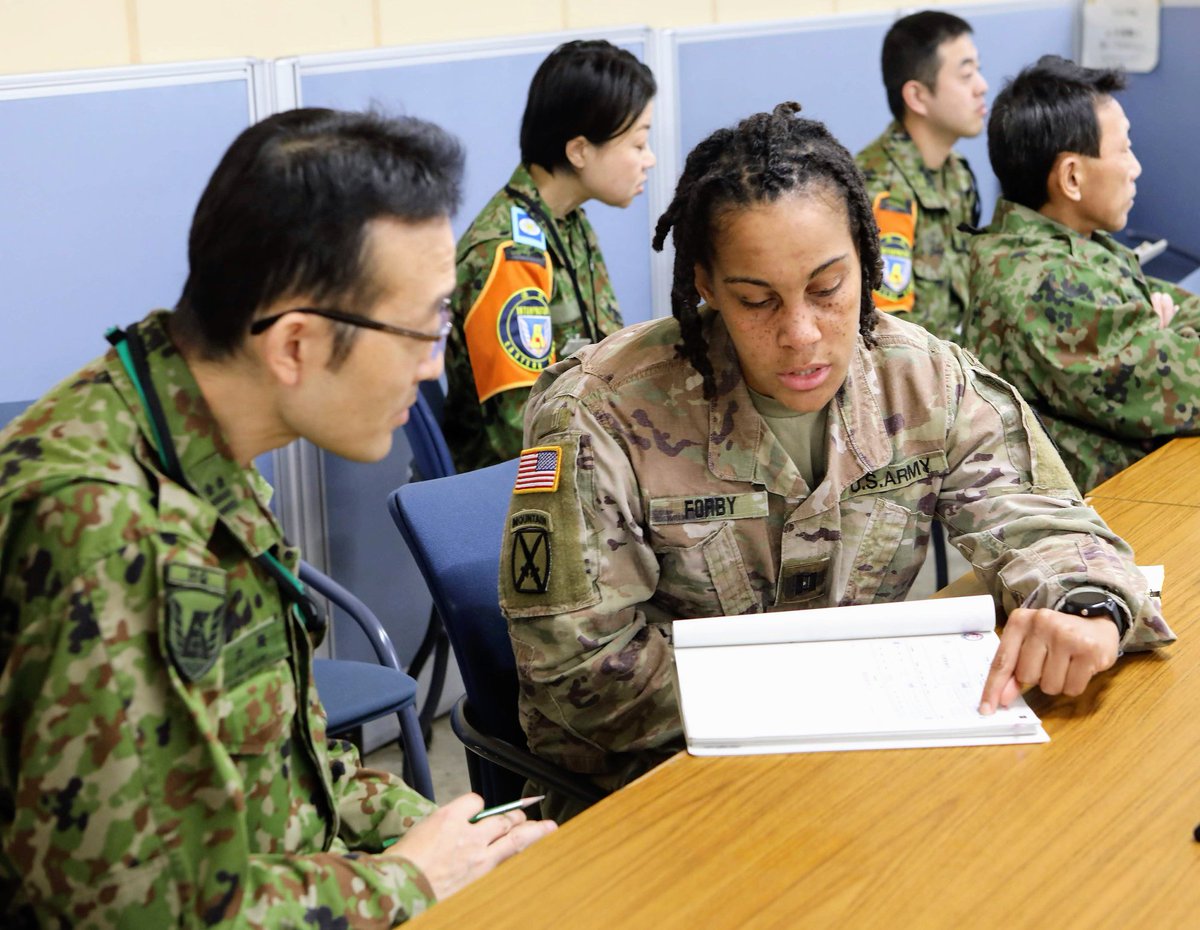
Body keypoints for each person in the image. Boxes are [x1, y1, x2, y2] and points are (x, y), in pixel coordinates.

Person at [498, 103, 1174, 823]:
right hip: (660, 793)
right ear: (704, 285)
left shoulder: (919, 378)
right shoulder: (600, 413)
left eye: (829, 290)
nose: (801, 335)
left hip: (854, 777)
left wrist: (1089, 608)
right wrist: (822, 690)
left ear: (866, 257)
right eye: (756, 300)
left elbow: (1046, 525)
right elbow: (577, 675)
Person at [0, 108, 554, 927]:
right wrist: (406, 881)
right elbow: (133, 911)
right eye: (423, 327)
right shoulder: (100, 530)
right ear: (294, 344)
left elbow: (286, 772)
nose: (436, 363)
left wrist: (459, 838)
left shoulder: (191, 437)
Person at [963, 55, 1200, 492]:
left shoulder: (1075, 244)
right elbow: (1188, 387)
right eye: (1125, 149)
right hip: (1102, 525)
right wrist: (1159, 338)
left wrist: (1162, 338)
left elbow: (1189, 316)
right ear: (1072, 177)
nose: (1135, 168)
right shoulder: (1045, 282)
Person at [443, 39, 656, 472]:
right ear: (579, 151)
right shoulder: (509, 253)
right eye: (637, 144)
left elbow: (605, 362)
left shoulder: (566, 222)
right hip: (525, 496)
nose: (648, 160)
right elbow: (524, 434)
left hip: (583, 455)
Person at [856, 10, 987, 339]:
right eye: (966, 74)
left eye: (978, 71)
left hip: (961, 366)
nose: (982, 87)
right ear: (917, 96)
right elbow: (887, 335)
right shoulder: (880, 189)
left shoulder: (957, 173)